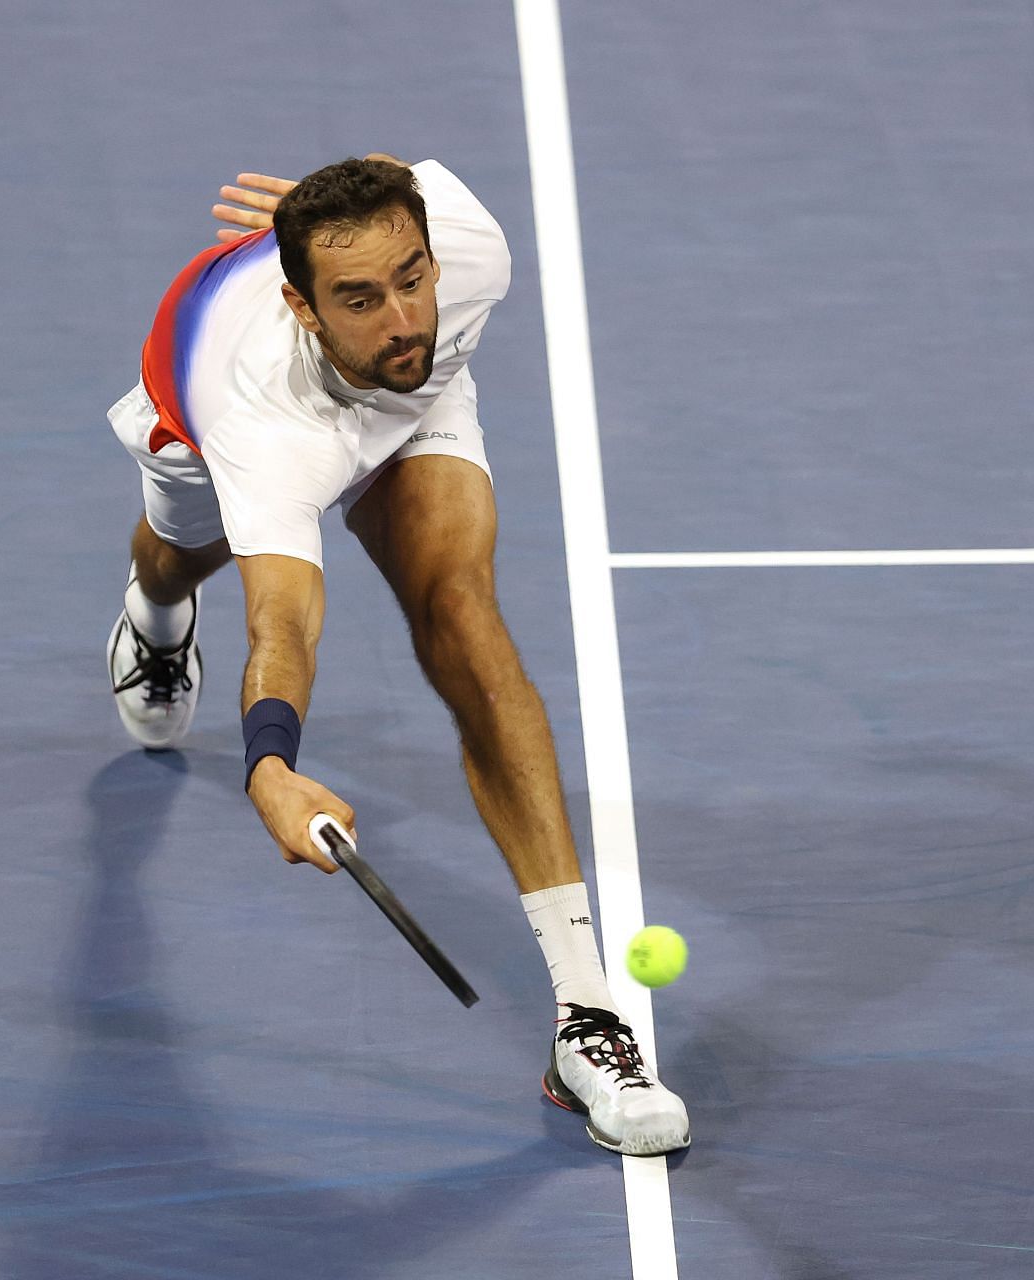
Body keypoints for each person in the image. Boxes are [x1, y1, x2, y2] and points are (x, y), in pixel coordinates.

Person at [104, 154, 689, 1156]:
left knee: (462, 615)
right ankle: (153, 619)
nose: (404, 318)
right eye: (361, 296)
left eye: (411, 277)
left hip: (414, 410)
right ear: (302, 303)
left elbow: (388, 178)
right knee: (176, 556)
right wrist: (271, 767)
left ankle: (586, 1017)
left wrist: (330, 196)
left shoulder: (468, 258)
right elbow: (284, 619)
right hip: (203, 418)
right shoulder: (259, 422)